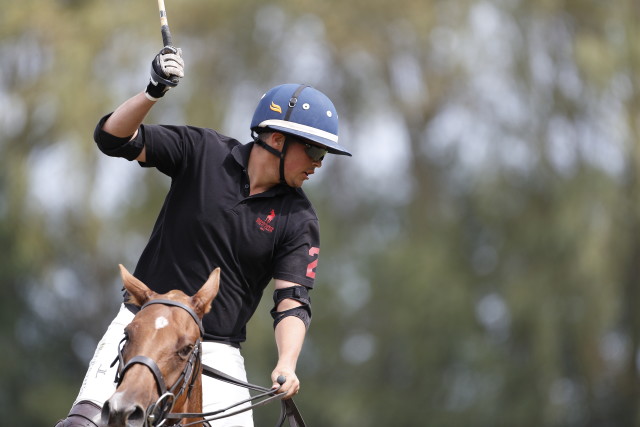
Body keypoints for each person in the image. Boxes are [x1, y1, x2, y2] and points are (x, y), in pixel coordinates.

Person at [55, 46, 351, 427]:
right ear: (277, 139)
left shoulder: (299, 218)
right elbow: (113, 138)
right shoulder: (203, 152)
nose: (318, 163)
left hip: (215, 350)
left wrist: (286, 363)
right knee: (83, 425)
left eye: (323, 153)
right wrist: (153, 91)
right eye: (313, 149)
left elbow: (292, 302)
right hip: (144, 328)